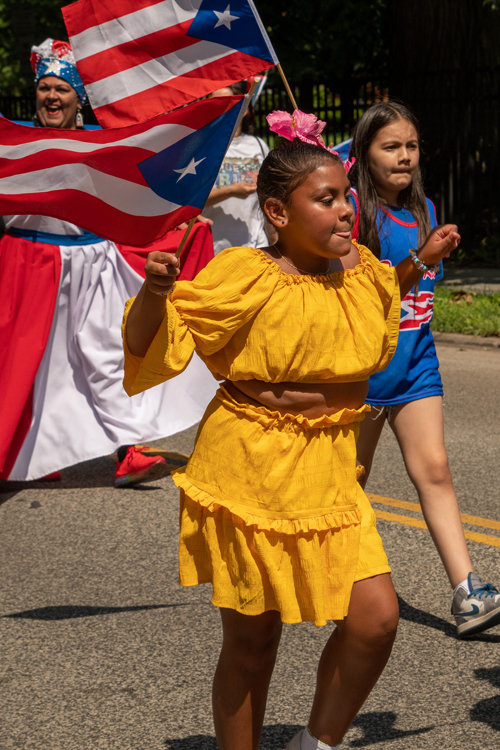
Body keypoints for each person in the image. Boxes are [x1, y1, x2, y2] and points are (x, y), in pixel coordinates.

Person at [123, 115, 459, 749]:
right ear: (277, 211)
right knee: (254, 642)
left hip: (329, 471)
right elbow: (149, 347)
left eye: (345, 199)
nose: (344, 212)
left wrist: (421, 259)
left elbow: (386, 294)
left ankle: (316, 743)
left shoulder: (360, 273)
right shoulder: (242, 273)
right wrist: (153, 291)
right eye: (325, 199)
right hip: (250, 465)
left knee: (376, 620)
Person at [0, 38, 217, 487]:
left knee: (109, 359)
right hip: (31, 266)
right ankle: (33, 457)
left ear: (78, 96)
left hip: (95, 267)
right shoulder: (15, 144)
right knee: (34, 368)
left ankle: (129, 451)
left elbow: (142, 189)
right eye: (45, 89)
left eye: (62, 89)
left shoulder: (106, 144)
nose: (52, 97)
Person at [347, 101, 500, 637]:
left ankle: (468, 592)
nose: (405, 156)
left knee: (435, 470)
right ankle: (328, 576)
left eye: (411, 146)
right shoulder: (349, 212)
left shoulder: (424, 209)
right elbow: (363, 299)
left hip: (416, 366)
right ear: (364, 153)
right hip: (360, 375)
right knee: (349, 483)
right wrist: (423, 258)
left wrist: (432, 249)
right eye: (391, 146)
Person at [203, 81, 269, 254]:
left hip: (255, 243)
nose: (220, 109)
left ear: (244, 109)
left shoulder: (259, 145)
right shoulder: (202, 148)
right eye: (213, 104)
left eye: (227, 103)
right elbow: (190, 201)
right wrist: (231, 191)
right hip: (214, 246)